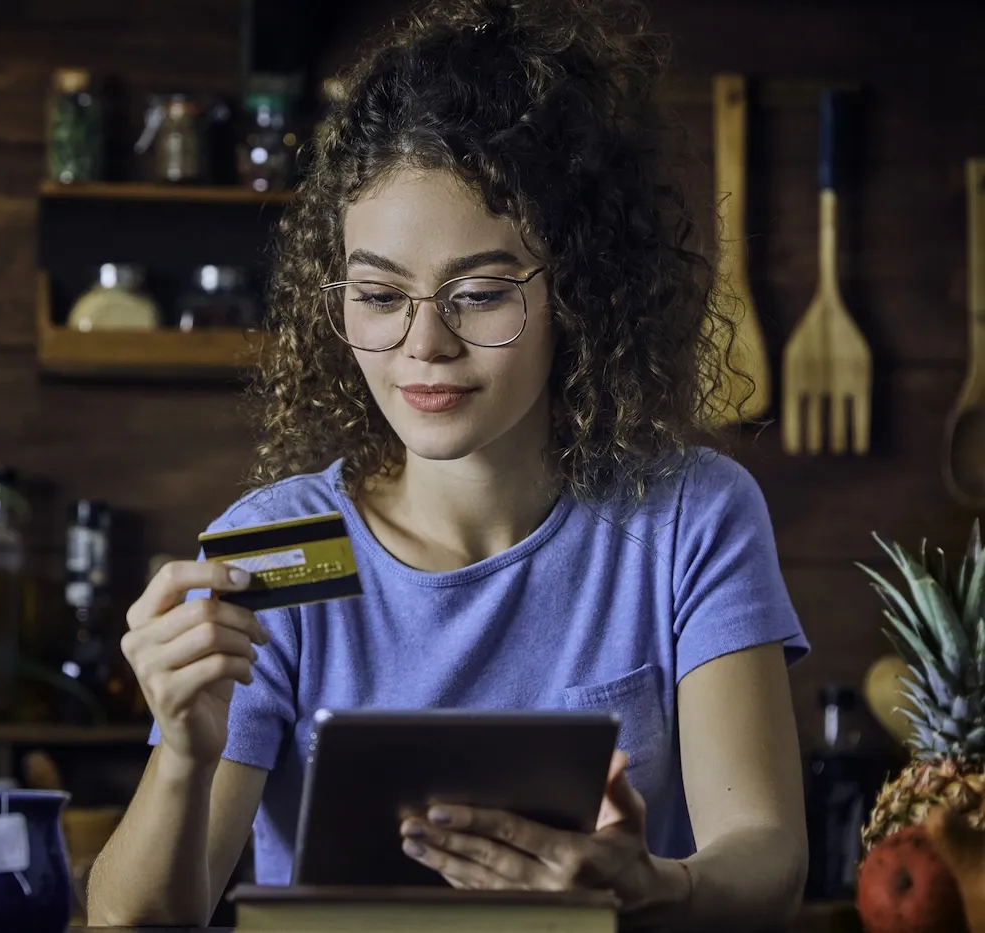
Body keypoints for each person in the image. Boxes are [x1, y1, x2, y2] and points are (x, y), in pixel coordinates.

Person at [86, 0, 810, 928]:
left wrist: (655, 885)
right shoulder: (274, 551)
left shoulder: (686, 518)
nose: (423, 343)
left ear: (580, 290)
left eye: (479, 293)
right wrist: (184, 754)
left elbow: (769, 860)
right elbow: (134, 921)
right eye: (380, 294)